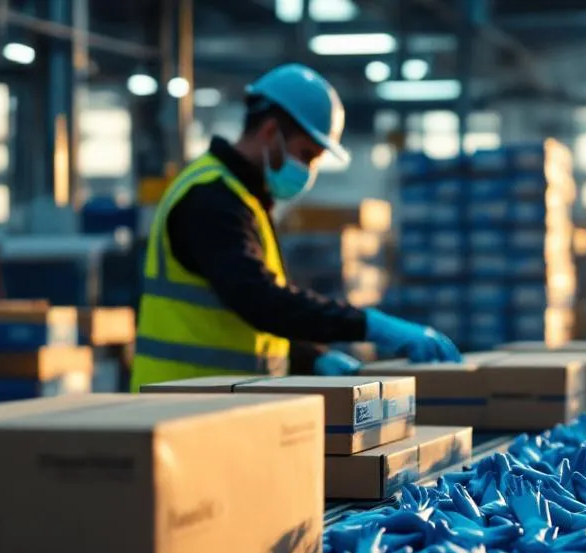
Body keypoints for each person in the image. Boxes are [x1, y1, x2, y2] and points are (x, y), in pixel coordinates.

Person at [130, 63, 460, 391]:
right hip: (176, 407)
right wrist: (371, 325)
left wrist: (309, 356)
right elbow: (259, 300)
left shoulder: (245, 200)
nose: (309, 169)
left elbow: (238, 319)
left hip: (214, 406)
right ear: (271, 132)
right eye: (306, 154)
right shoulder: (210, 199)